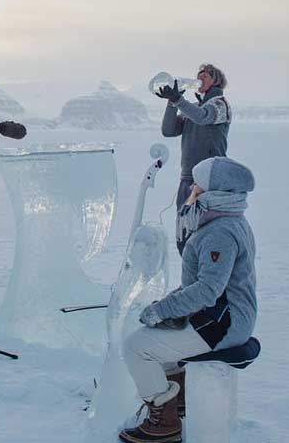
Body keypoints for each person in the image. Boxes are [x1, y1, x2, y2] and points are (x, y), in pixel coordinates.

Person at [118, 156, 257, 443]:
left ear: (214, 191)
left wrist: (162, 309)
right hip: (221, 315)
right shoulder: (225, 221)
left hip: (223, 323)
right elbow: (199, 287)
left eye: (199, 183)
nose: (192, 186)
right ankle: (179, 397)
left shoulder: (220, 231)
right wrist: (167, 308)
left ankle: (164, 421)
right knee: (156, 337)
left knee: (135, 347)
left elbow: (207, 290)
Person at [157, 63, 231, 254]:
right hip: (187, 178)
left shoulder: (220, 104)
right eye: (198, 75)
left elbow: (203, 117)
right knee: (184, 231)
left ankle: (206, 280)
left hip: (209, 179)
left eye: (205, 75)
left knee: (204, 231)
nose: (199, 78)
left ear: (216, 81)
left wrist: (179, 100)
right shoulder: (193, 107)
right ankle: (189, 280)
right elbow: (168, 130)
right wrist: (171, 102)